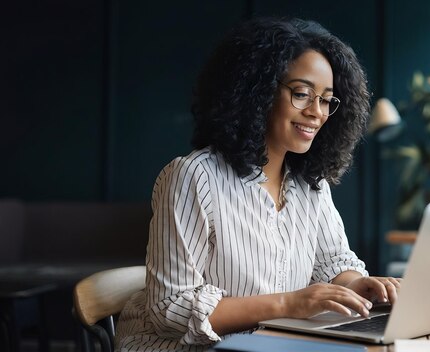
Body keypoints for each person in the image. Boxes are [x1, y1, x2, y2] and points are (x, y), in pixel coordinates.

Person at [115, 17, 401, 351]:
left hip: (268, 344)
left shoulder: (311, 186)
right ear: (258, 91)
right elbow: (171, 309)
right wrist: (287, 304)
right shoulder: (194, 177)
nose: (317, 112)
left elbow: (333, 264)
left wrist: (360, 285)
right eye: (302, 94)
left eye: (326, 100)